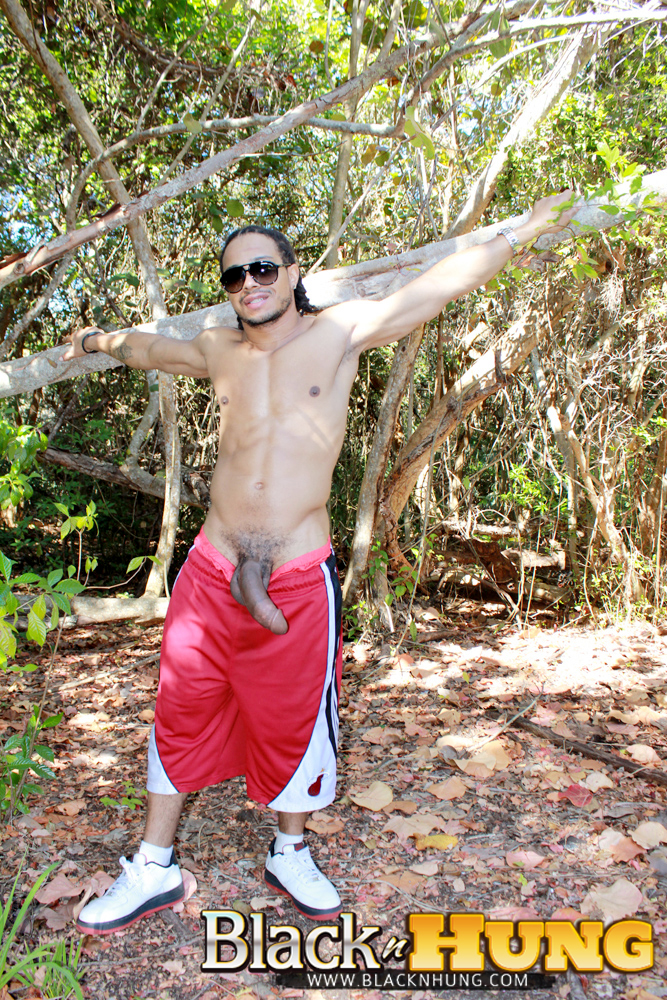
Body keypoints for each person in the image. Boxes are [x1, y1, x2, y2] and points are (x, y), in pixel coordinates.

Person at [61, 192, 575, 934]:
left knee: (295, 717)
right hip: (212, 567)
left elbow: (434, 288)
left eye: (262, 269)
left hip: (297, 576)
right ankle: (153, 865)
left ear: (292, 272)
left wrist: (520, 232)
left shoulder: (338, 334)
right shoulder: (218, 349)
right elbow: (148, 350)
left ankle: (290, 851)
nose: (249, 284)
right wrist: (95, 339)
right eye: (234, 276)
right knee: (179, 705)